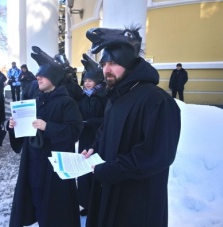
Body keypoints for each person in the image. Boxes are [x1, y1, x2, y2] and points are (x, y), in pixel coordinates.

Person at [83, 26, 181, 226]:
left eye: (113, 63)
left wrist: (109, 170)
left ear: (128, 63)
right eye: (103, 64)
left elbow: (157, 154)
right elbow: (106, 129)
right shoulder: (116, 95)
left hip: (137, 200)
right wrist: (95, 147)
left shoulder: (157, 100)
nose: (106, 70)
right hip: (111, 191)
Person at [8, 46, 83, 227]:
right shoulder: (34, 100)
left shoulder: (67, 103)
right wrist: (12, 126)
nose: (37, 77)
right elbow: (23, 134)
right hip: (33, 163)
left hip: (54, 168)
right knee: (37, 201)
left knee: (55, 208)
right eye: (38, 75)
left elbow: (74, 131)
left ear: (54, 78)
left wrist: (48, 127)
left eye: (42, 75)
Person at [77, 53, 107, 216]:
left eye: (89, 80)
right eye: (85, 80)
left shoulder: (103, 96)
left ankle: (99, 203)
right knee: (84, 169)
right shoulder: (82, 96)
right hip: (84, 137)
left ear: (97, 81)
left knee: (97, 169)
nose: (86, 83)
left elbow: (107, 118)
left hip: (98, 138)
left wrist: (90, 123)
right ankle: (86, 203)